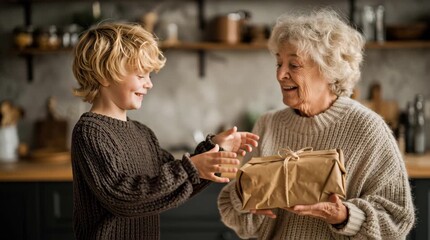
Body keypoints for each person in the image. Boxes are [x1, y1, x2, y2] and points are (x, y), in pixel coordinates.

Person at [217, 9, 415, 239]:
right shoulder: (268, 125)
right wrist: (245, 195)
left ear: (329, 70)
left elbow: (397, 219)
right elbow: (240, 219)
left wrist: (344, 216)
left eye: (294, 65)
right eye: (279, 63)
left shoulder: (367, 128)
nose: (281, 74)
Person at [70, 22, 259, 240]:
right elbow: (122, 198)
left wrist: (214, 149)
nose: (149, 84)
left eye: (149, 75)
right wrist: (192, 167)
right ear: (104, 76)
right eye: (141, 75)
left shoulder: (143, 133)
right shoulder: (91, 132)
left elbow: (173, 185)